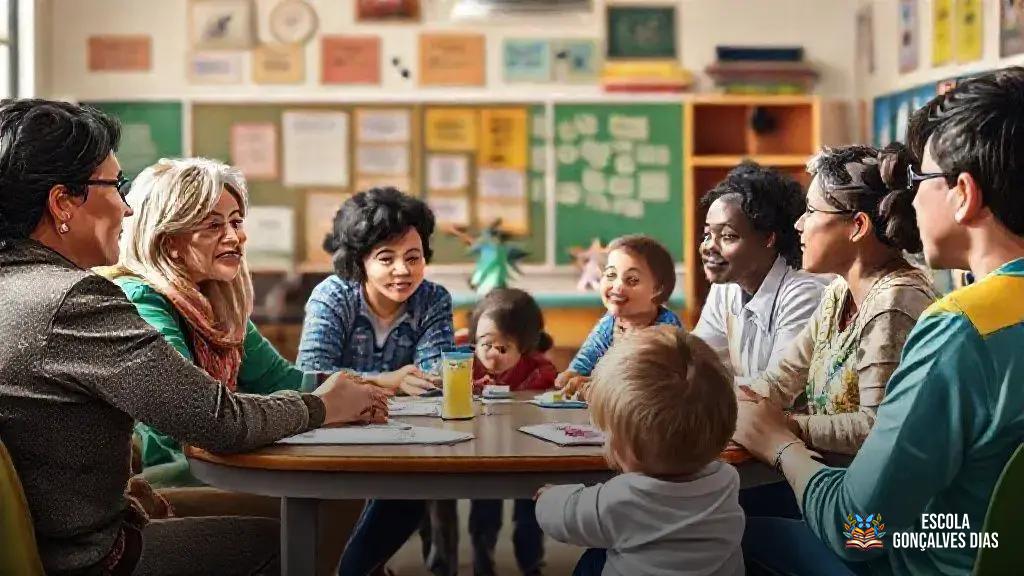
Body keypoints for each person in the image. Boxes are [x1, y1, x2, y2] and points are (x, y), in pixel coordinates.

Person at [0, 100, 378, 575]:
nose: (127, 207)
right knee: (287, 543)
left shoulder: (15, 285)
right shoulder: (75, 300)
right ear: (62, 203)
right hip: (90, 557)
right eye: (115, 186)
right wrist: (321, 407)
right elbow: (215, 420)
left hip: (63, 535)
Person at [736, 66, 1024, 575]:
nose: (909, 200)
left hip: (918, 560)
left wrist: (778, 444)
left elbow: (859, 529)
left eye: (920, 181)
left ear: (963, 194)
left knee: (718, 532)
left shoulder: (959, 330)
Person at [103, 157, 387, 486]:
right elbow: (196, 412)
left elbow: (280, 380)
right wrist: (323, 405)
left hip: (213, 462)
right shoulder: (139, 299)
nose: (234, 237)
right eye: (213, 226)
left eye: (236, 222)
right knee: (335, 488)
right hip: (169, 476)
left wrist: (370, 386)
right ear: (169, 242)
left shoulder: (215, 302)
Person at [296, 187, 455, 576]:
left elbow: (435, 378)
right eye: (387, 258)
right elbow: (310, 376)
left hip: (405, 437)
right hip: (336, 435)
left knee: (410, 489)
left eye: (413, 257)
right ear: (360, 261)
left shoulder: (433, 299)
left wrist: (384, 385)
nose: (403, 270)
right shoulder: (332, 296)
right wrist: (390, 381)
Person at [536, 325, 744, 576]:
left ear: (624, 448)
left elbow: (564, 516)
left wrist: (548, 497)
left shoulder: (621, 498)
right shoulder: (727, 481)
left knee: (590, 561)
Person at [431, 289, 556, 576]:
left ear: (525, 347)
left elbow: (546, 403)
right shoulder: (462, 361)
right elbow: (439, 379)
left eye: (503, 348)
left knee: (531, 507)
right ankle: (482, 555)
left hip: (526, 449)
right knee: (485, 502)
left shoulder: (539, 370)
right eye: (484, 344)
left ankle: (531, 562)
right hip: (479, 447)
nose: (491, 354)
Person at [693, 161, 827, 386]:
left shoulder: (805, 293)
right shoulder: (726, 287)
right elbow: (698, 358)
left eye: (727, 236)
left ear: (768, 238)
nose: (709, 247)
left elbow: (777, 387)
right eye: (707, 235)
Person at [555, 234, 682, 399]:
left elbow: (644, 381)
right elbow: (588, 356)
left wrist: (593, 386)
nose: (618, 286)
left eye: (632, 280)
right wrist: (572, 374)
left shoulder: (666, 328)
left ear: (657, 289)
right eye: (610, 275)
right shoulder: (610, 323)